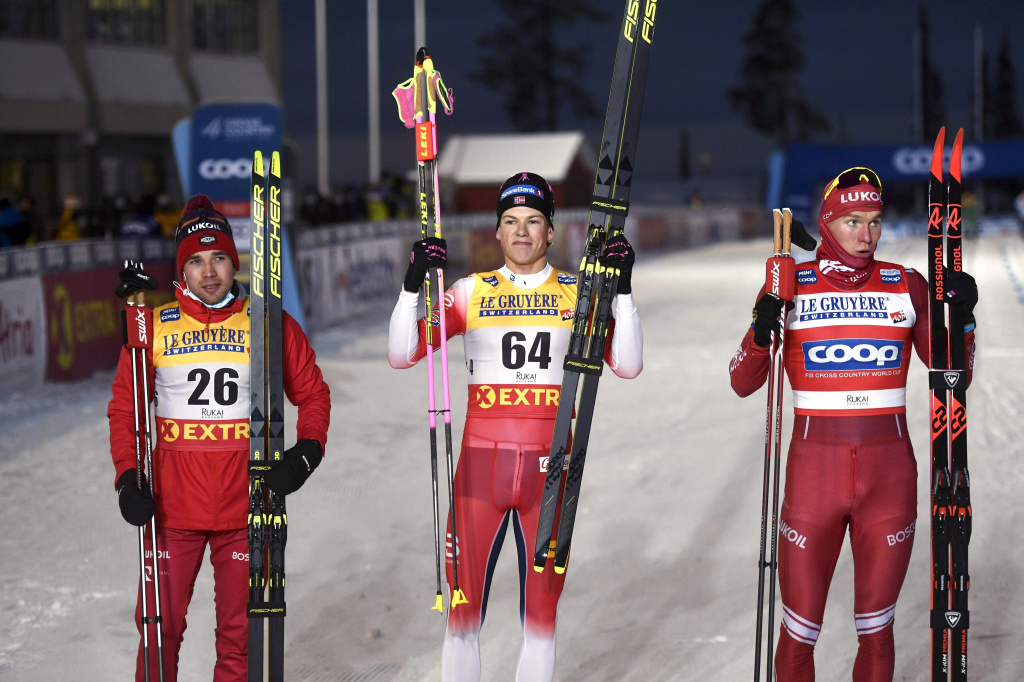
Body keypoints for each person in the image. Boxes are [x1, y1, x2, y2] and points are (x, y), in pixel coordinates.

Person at [388, 172, 643, 682]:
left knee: (542, 618)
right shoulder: (468, 291)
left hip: (551, 473)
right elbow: (402, 353)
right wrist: (412, 284)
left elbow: (629, 364)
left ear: (550, 232)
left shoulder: (578, 292)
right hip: (480, 471)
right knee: (461, 617)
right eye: (510, 221)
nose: (521, 231)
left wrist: (622, 293)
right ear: (497, 234)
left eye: (533, 221)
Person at [729, 168, 978, 681]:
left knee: (876, 631)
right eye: (851, 222)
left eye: (874, 222)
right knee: (798, 633)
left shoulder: (905, 284)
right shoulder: (789, 281)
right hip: (812, 479)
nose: (865, 236)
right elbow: (742, 380)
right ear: (826, 223)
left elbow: (954, 374)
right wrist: (760, 329)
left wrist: (965, 319)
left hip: (888, 481)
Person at [107, 194, 331, 681]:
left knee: (239, 642)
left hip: (246, 507)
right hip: (171, 510)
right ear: (181, 271)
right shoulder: (155, 328)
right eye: (196, 261)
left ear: (235, 262)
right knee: (159, 630)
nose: (209, 272)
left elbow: (313, 394)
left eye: (219, 259)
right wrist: (127, 476)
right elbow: (125, 409)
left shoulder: (268, 323)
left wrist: (307, 452)